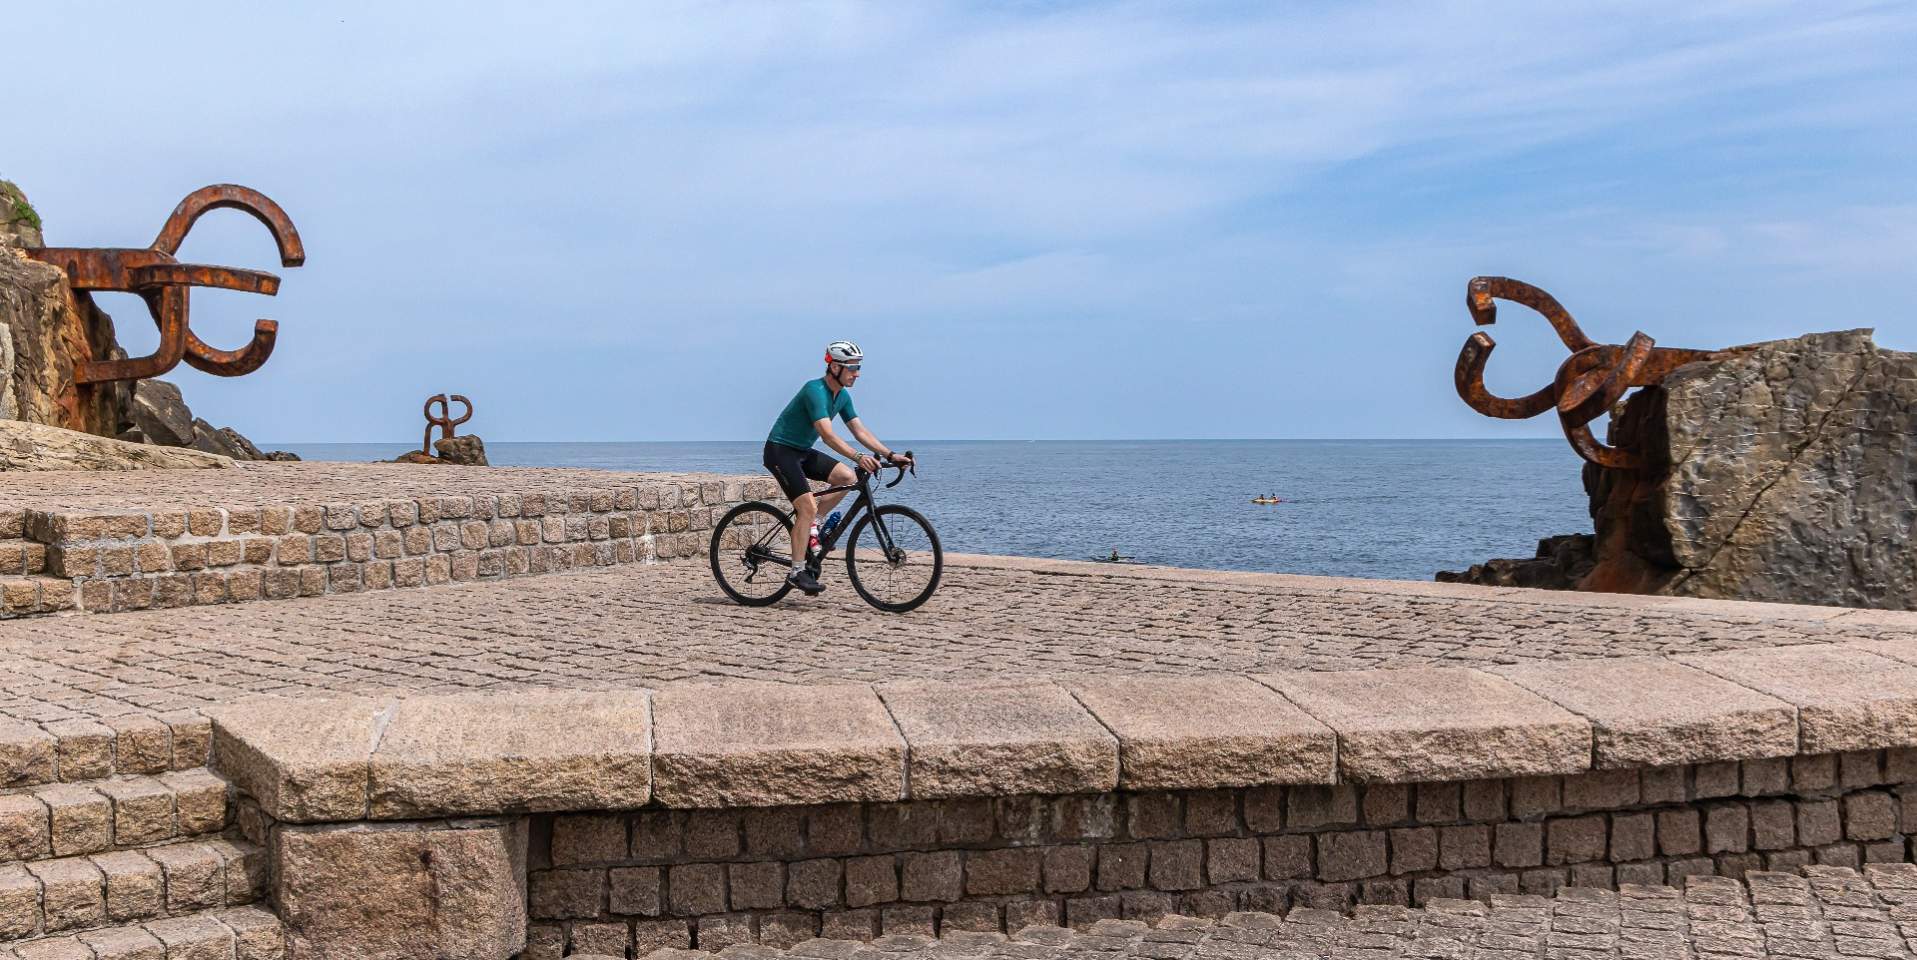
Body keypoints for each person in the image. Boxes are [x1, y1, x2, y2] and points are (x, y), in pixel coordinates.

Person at [763, 341, 912, 595]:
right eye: (852, 367)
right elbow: (827, 435)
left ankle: (814, 526)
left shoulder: (842, 396)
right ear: (834, 367)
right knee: (806, 506)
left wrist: (890, 454)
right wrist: (858, 455)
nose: (857, 373)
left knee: (846, 476)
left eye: (858, 367)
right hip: (780, 451)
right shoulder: (814, 391)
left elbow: (859, 429)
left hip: (802, 451)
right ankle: (797, 572)